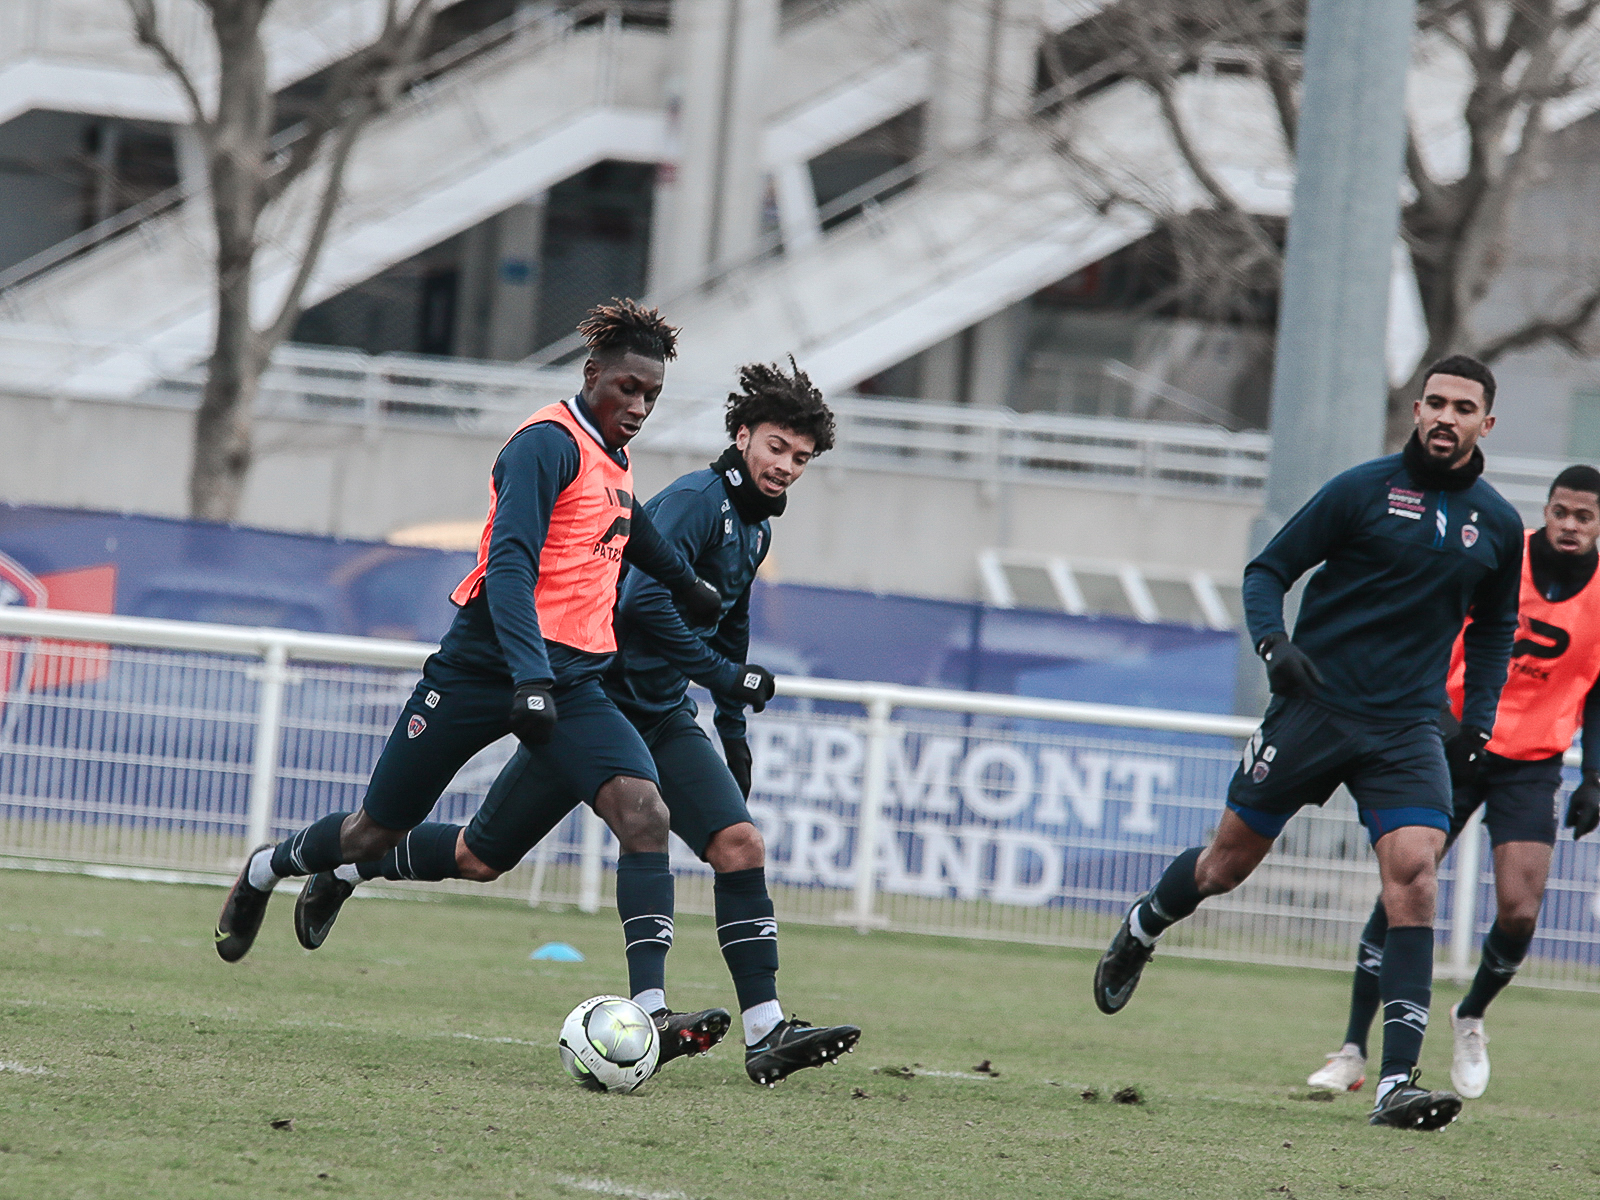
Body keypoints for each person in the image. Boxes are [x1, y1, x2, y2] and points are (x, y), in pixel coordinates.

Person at [294, 359, 863, 1086]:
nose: (785, 466)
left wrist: (732, 728)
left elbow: (731, 632)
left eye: (800, 459)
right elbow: (642, 607)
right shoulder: (693, 500)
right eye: (777, 448)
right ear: (744, 435)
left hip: (660, 715)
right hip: (593, 703)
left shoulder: (754, 531)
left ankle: (764, 1030)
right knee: (478, 856)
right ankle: (351, 865)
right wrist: (725, 679)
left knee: (740, 844)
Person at [214, 299, 732, 1066]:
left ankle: (650, 1013)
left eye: (650, 395)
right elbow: (512, 564)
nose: (639, 406)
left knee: (643, 812)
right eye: (628, 387)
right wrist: (527, 677)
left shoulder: (610, 455)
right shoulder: (542, 446)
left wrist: (684, 584)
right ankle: (270, 869)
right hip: (483, 670)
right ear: (592, 375)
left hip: (574, 680)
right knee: (374, 827)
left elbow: (628, 523)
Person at [1090, 354, 1523, 1131]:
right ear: (1417, 410)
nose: (1445, 417)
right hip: (1314, 708)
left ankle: (1395, 1083)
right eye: (1435, 402)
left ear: (1485, 424)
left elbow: (1495, 628)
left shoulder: (1497, 524)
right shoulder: (1361, 490)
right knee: (1225, 866)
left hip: (1407, 726)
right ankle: (1142, 926)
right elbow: (1268, 570)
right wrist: (1273, 649)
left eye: (1464, 408)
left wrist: (1479, 717)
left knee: (1416, 878)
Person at [1307, 465, 1600, 1099]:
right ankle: (1355, 1047)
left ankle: (1470, 1016)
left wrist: (1594, 775)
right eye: (1561, 512)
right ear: (1545, 510)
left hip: (1535, 761)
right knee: (1407, 880)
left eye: (1585, 516)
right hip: (1457, 741)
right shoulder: (1501, 553)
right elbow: (1438, 630)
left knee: (1521, 912)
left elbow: (1598, 687)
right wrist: (1441, 723)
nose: (1570, 525)